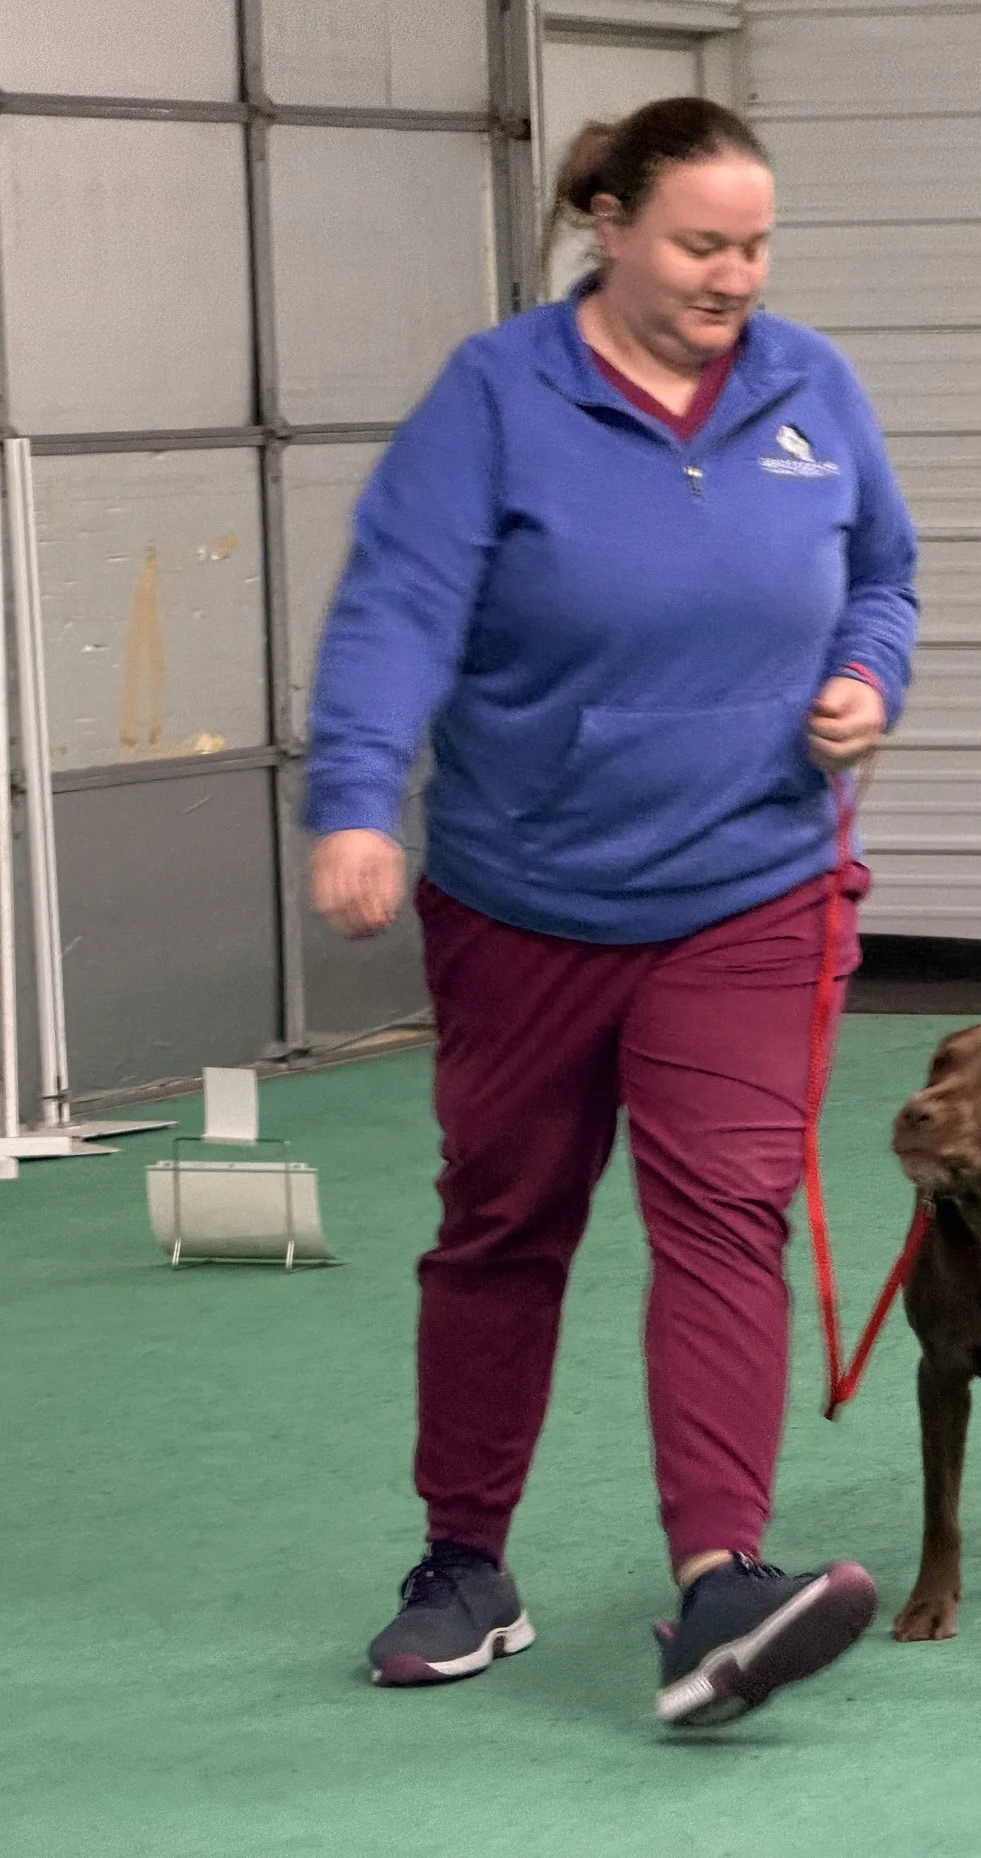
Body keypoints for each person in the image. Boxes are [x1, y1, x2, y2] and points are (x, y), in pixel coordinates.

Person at [302, 96, 918, 1727]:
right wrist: (359, 795)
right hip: (524, 895)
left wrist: (868, 676)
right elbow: (400, 605)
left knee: (722, 1217)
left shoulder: (811, 388)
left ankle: (724, 1578)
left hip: (753, 887)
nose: (736, 273)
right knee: (504, 1223)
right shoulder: (497, 397)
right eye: (703, 241)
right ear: (612, 225)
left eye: (757, 244)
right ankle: (463, 1564)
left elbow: (884, 574)